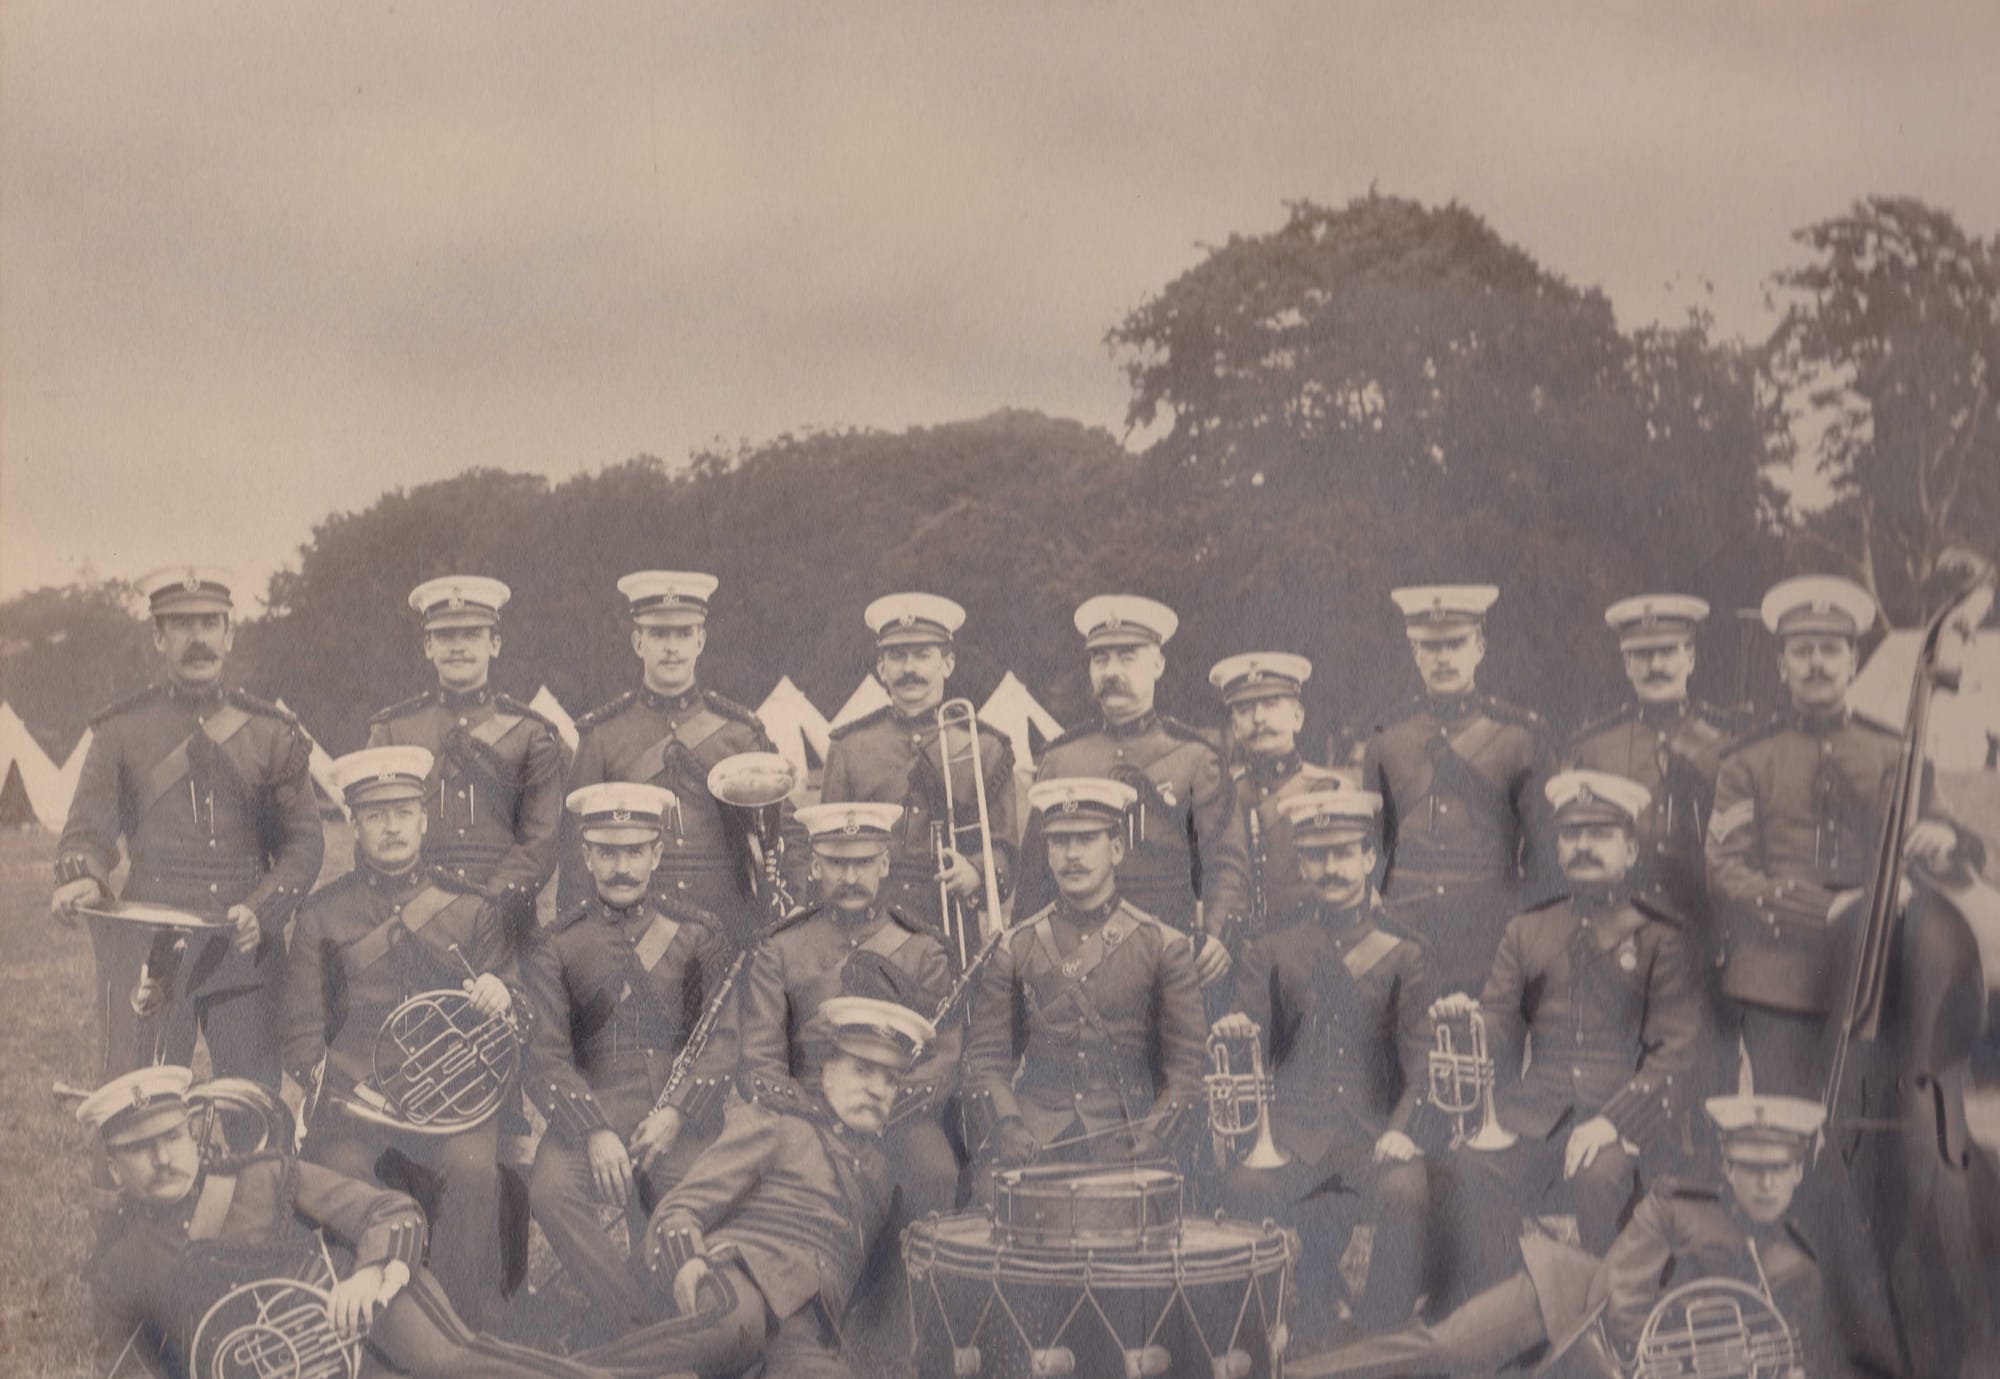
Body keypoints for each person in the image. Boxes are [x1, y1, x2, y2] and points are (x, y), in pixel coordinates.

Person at [1291, 1093, 1893, 1379]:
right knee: (1444, 1352)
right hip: (1568, 1304)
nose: (1763, 1184)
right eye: (1749, 1168)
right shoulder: (1676, 1205)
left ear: (1798, 1171)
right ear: (1729, 1168)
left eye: (1776, 1169)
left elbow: (1799, 1350)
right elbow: (1619, 1288)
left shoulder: (1803, 1262)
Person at [80, 1066, 607, 1379]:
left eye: (171, 1137)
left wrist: (370, 1274)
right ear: (112, 1165)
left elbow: (390, 1210)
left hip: (374, 1309)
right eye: (139, 1149)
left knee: (455, 1367)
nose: (164, 1159)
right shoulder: (119, 1264)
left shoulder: (264, 1176)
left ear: (192, 1133)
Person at [51, 566, 324, 1085]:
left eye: (208, 623)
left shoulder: (271, 732)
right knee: (143, 1111)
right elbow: (87, 829)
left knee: (253, 1117)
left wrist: (263, 909)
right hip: (151, 947)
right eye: (180, 624)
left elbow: (304, 842)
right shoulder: (120, 731)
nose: (197, 638)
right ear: (158, 636)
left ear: (229, 633)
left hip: (244, 947)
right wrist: (84, 875)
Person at [575, 997, 937, 1379]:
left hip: (804, 1327)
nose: (878, 1089)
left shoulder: (882, 1176)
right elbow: (682, 1206)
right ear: (827, 1067)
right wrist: (688, 1260)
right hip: (740, 1277)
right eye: (862, 1069)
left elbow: (891, 1295)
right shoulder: (777, 1124)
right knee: (735, 1332)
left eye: (891, 1079)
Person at [281, 746, 518, 1328]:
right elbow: (300, 1037)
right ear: (355, 824)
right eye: (376, 815)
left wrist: (501, 994)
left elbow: (520, 1014)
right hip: (359, 1109)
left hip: (456, 1105)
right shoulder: (321, 916)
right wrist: (355, 1088)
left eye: (404, 812)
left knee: (473, 1172)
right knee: (344, 1169)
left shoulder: (470, 908)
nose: (391, 827)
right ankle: (380, 1325)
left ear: (424, 819)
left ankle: (456, 1328)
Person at [1435, 770, 1702, 1278]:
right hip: (1539, 1115)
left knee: (1598, 1177)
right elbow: (1500, 1024)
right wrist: (1467, 1023)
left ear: (1629, 849)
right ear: (1559, 848)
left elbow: (1678, 1049)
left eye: (1600, 834)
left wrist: (1613, 1122)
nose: (1584, 846)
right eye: (1573, 834)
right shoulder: (1528, 929)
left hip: (1626, 1119)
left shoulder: (1660, 936)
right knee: (1474, 1166)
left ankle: (1610, 1313)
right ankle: (1516, 1300)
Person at [1706, 575, 1960, 1096]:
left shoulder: (1897, 753)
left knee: (1869, 1131)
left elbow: (1957, 845)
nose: (1816, 663)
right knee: (1784, 1125)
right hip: (1776, 981)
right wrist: (1823, 909)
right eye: (1801, 652)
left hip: (1877, 976)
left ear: (1852, 661)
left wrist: (1943, 839)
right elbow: (1725, 869)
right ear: (1782, 667)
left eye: (1830, 650)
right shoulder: (1746, 759)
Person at [1211, 789, 1432, 1335]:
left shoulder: (1404, 950)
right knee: (1245, 1187)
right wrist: (1237, 1034)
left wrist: (1402, 1130)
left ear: (1367, 858)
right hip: (1293, 1135)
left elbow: (1420, 1058)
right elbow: (1252, 1047)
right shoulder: (1271, 948)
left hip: (1369, 1134)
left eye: (1342, 854)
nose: (1330, 869)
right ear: (1302, 863)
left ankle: (1382, 1323)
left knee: (1406, 1189)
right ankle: (1298, 1309)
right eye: (1316, 856)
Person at [522, 782, 734, 1332]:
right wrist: (591, 1131)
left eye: (635, 851)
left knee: (686, 1196)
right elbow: (544, 1054)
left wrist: (678, 1114)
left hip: (677, 1115)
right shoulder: (555, 944)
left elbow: (720, 1045)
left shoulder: (697, 935)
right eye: (609, 852)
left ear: (657, 853)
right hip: (594, 1104)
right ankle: (636, 1327)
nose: (622, 867)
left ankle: (665, 1310)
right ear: (587, 856)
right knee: (551, 1188)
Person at [963, 777, 1207, 1177]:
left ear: (1116, 848)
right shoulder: (1015, 948)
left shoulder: (1163, 947)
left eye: (1086, 839)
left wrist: (1156, 1135)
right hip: (1035, 1136)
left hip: (1129, 1133)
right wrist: (1007, 1125)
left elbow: (1186, 1070)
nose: (1071, 854)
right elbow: (986, 1059)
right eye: (1059, 842)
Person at [734, 800, 961, 1219]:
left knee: (934, 1170)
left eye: (864, 863)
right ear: (816, 867)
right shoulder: (780, 950)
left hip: (894, 1110)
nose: (851, 877)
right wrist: (813, 1113)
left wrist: (883, 1107)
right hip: (805, 1111)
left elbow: (943, 1057)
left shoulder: (923, 950)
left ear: (885, 863)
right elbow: (761, 1058)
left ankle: (914, 1278)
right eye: (837, 863)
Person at [1013, 595, 1249, 993]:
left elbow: (1225, 861)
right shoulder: (1061, 759)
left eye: (1127, 657)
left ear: (1158, 664)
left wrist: (1218, 933)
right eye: (1100, 659)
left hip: (1167, 951)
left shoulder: (1195, 759)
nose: (1112, 671)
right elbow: (1035, 873)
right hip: (1075, 957)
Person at [561, 570, 784, 948]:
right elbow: (574, 853)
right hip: (631, 930)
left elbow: (784, 831)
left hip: (726, 926)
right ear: (637, 641)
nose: (671, 647)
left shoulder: (740, 734)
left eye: (683, 634)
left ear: (700, 640)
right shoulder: (602, 736)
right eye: (658, 634)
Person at [1361, 584, 1552, 995]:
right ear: (1415, 653)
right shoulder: (1386, 739)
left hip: (1487, 931)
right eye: (1430, 647)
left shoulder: (1518, 738)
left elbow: (1542, 855)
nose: (1443, 657)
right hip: (1403, 928)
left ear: (1479, 647)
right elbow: (1373, 847)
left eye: (1455, 643)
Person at [367, 575, 569, 953]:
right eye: (445, 636)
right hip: (414, 921)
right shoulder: (393, 730)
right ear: (428, 645)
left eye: (472, 634)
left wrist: (483, 907)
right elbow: (372, 835)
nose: (457, 646)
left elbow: (540, 842)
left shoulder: (530, 733)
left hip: (506, 923)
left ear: (495, 643)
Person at [819, 592, 1018, 956]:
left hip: (951, 926)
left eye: (923, 655)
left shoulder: (986, 746)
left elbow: (1005, 848)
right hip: (865, 927)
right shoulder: (849, 746)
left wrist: (975, 872)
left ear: (948, 663)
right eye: (897, 656)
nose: (909, 668)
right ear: (881, 667)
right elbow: (826, 843)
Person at [1565, 594, 1735, 936]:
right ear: (1627, 664)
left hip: (1700, 919)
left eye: (1668, 651)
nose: (1655, 665)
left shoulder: (1727, 744)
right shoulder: (1594, 747)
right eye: (1641, 655)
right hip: (1619, 920)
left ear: (1690, 657)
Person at [1210, 652, 1347, 932]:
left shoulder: (1330, 790)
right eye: (1245, 709)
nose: (1259, 718)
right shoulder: (1223, 795)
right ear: (1235, 726)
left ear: (1297, 717)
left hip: (1314, 935)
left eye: (1271, 704)